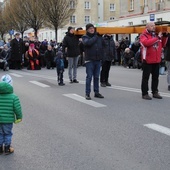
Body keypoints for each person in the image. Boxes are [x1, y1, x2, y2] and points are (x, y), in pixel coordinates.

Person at [140, 22, 167, 100]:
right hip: (147, 60)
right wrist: (157, 38)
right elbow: (146, 43)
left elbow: (163, 44)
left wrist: (165, 36)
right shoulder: (143, 35)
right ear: (147, 27)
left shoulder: (156, 35)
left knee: (156, 77)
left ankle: (155, 92)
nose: (154, 27)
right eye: (152, 26)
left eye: (154, 26)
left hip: (156, 60)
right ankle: (144, 93)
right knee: (146, 78)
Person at [0, 74, 22, 155]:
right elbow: (17, 108)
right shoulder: (14, 97)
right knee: (7, 133)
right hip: (8, 121)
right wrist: (19, 117)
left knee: (0, 133)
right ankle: (7, 148)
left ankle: (0, 149)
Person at [82, 23, 105, 100]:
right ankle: (87, 93)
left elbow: (103, 45)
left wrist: (102, 37)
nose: (92, 30)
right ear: (87, 30)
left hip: (97, 59)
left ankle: (96, 92)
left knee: (96, 77)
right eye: (90, 28)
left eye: (93, 28)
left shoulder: (98, 37)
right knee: (89, 77)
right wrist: (96, 36)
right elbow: (88, 43)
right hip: (89, 60)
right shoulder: (85, 37)